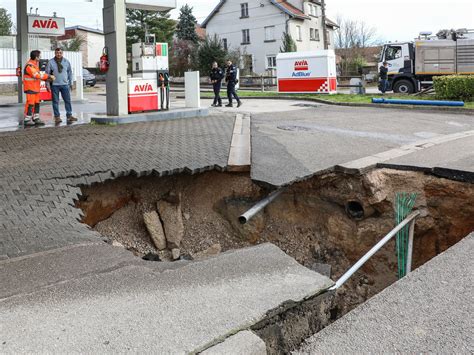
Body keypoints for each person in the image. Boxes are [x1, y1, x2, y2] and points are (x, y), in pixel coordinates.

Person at [22, 50, 55, 126]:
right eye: (39, 56)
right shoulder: (29, 65)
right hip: (30, 88)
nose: (40, 57)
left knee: (37, 103)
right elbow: (37, 75)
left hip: (35, 88)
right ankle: (27, 119)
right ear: (36, 57)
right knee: (30, 104)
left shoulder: (34, 65)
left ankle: (36, 118)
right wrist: (49, 76)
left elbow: (39, 75)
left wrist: (47, 78)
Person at [45, 48, 77, 124]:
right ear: (55, 53)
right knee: (55, 101)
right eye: (57, 53)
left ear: (62, 53)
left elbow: (70, 73)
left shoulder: (66, 62)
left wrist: (71, 83)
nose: (58, 54)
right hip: (54, 85)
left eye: (60, 53)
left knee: (67, 101)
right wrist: (47, 85)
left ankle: (69, 115)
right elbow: (47, 74)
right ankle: (57, 117)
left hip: (65, 85)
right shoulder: (51, 62)